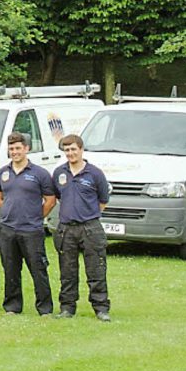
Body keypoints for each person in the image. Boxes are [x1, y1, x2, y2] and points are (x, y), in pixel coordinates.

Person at [0, 132, 57, 316]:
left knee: (38, 270)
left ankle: (45, 309)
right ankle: (12, 307)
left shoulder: (40, 173)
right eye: (11, 149)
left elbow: (50, 200)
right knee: (10, 270)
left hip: (32, 230)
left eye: (18, 148)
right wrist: (8, 211)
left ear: (26, 149)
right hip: (8, 229)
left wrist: (36, 217)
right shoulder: (2, 173)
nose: (15, 152)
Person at [52, 134, 112, 321]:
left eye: (73, 149)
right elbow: (58, 197)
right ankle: (67, 308)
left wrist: (87, 215)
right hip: (66, 229)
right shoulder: (59, 173)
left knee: (96, 270)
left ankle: (101, 308)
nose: (70, 153)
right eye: (67, 150)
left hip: (90, 228)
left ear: (81, 150)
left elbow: (103, 201)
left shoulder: (95, 173)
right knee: (67, 272)